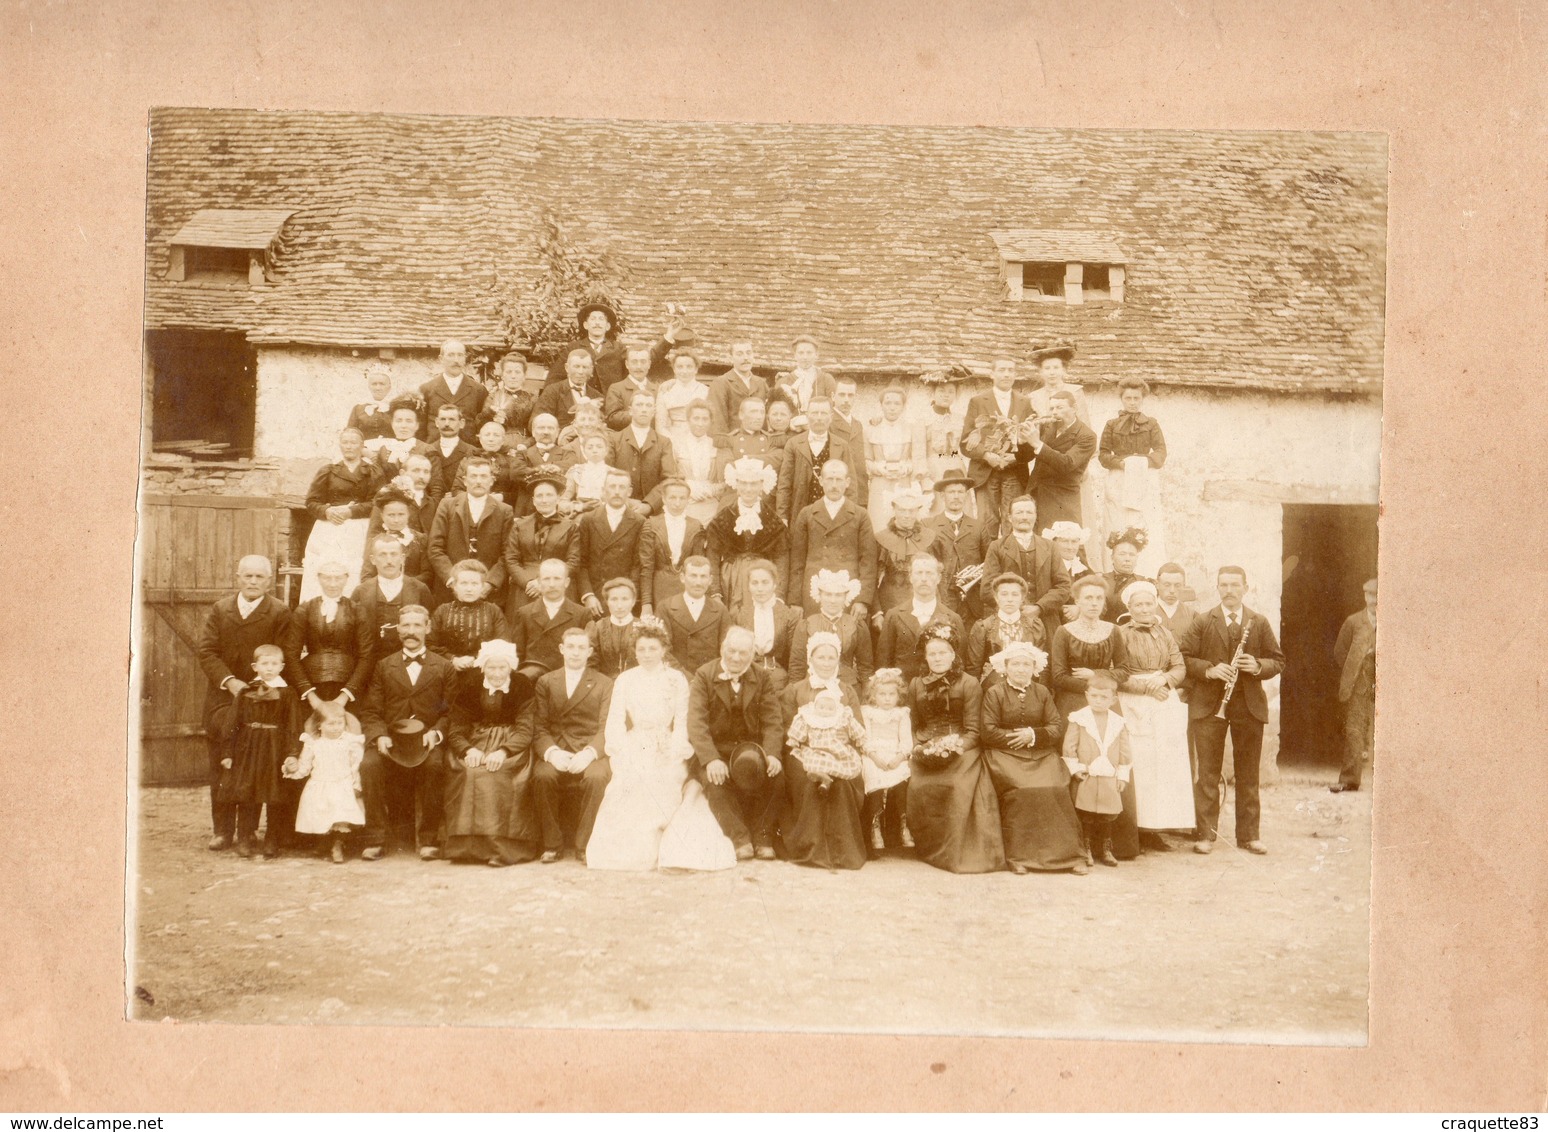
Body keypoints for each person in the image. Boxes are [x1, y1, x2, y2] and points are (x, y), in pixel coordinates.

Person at [588, 618, 737, 872]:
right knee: (629, 780)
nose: (647, 655)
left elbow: (682, 720)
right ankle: (634, 852)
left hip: (667, 745)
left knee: (668, 778)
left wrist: (676, 750)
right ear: (634, 651)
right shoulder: (625, 679)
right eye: (641, 649)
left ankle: (670, 847)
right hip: (635, 742)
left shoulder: (676, 679)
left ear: (664, 649)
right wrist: (621, 752)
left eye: (653, 649)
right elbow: (614, 721)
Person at [1177, 566, 1284, 855]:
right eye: (1223, 585)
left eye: (1235, 585)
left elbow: (1278, 660)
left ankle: (1249, 836)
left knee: (1248, 773)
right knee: (1208, 773)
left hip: (1248, 706)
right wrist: (1210, 671)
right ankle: (1206, 836)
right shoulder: (1202, 621)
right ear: (1218, 588)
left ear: (1245, 588)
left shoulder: (1258, 622)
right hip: (1209, 706)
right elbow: (1184, 658)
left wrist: (1258, 666)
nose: (1229, 590)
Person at [196, 556, 293, 852]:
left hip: (261, 700)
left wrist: (258, 687)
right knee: (223, 762)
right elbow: (207, 651)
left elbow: (283, 655)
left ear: (269, 580)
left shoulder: (278, 612)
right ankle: (223, 830)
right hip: (223, 697)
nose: (253, 582)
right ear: (237, 577)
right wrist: (230, 681)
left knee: (253, 764)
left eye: (259, 577)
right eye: (248, 576)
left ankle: (248, 833)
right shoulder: (221, 609)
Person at [980, 642, 1087, 875]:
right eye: (1015, 664)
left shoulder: (1042, 692)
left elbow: (1055, 727)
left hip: (1040, 753)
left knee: (1056, 786)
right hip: (1004, 753)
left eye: (1026, 664)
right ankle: (1019, 857)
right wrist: (1014, 737)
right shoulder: (994, 693)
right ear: (1005, 667)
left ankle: (1069, 856)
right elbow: (987, 731)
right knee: (1022, 789)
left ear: (1034, 668)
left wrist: (1032, 735)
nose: (1020, 669)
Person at [905, 624, 1004, 873]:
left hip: (962, 746)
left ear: (952, 655)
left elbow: (973, 730)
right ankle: (927, 847)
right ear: (926, 658)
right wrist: (920, 747)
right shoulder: (917, 683)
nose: (937, 658)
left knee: (958, 785)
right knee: (918, 785)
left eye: (943, 653)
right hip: (926, 746)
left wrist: (955, 746)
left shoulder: (968, 683)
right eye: (932, 654)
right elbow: (914, 725)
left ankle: (956, 851)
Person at [356, 605, 452, 861]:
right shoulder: (383, 666)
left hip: (425, 741)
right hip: (392, 740)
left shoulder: (443, 667)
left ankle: (429, 840)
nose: (411, 631)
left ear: (428, 628)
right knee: (369, 765)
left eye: (417, 625)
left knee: (435, 766)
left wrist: (436, 733)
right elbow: (371, 710)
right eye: (406, 626)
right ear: (398, 630)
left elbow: (451, 712)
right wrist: (379, 736)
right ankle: (376, 838)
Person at [1050, 573, 1136, 859]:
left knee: (1112, 764)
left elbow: (1123, 670)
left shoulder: (1113, 631)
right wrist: (1089, 685)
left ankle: (1111, 844)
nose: (1094, 603)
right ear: (1077, 600)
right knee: (1079, 765)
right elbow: (1059, 676)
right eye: (1088, 597)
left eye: (1099, 598)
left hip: (1107, 704)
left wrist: (1097, 679)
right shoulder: (1063, 632)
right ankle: (1079, 844)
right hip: (1073, 704)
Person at [687, 627, 785, 861]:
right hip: (716, 751)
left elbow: (773, 720)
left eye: (743, 653)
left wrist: (772, 754)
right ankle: (739, 839)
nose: (736, 657)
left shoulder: (761, 676)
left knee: (777, 778)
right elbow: (696, 723)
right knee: (715, 782)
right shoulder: (704, 675)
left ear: (752, 655)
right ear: (722, 649)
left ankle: (763, 837)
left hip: (751, 751)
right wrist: (710, 759)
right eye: (731, 651)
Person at [442, 638, 541, 866]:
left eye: (502, 667)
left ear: (510, 667)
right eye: (492, 667)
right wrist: (467, 749)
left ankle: (502, 850)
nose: (497, 673)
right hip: (475, 743)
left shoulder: (521, 684)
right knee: (469, 772)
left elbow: (526, 729)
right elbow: (457, 727)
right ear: (483, 667)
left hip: (511, 745)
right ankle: (468, 850)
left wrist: (504, 751)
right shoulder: (471, 684)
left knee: (499, 773)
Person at [778, 633, 870, 869]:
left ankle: (841, 852)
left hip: (840, 752)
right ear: (811, 659)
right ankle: (811, 850)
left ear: (838, 661)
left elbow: (857, 727)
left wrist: (839, 746)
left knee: (841, 782)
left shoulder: (847, 691)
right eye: (821, 657)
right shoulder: (795, 690)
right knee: (809, 782)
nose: (827, 663)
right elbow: (788, 730)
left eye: (832, 658)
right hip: (803, 753)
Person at [1116, 579, 1194, 844]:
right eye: (1138, 604)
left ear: (1155, 604)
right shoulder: (1121, 633)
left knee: (1165, 767)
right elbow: (1117, 674)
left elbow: (1179, 666)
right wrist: (1147, 688)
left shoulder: (1165, 634)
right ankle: (1136, 829)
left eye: (1148, 603)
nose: (1144, 609)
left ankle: (1157, 829)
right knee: (1142, 765)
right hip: (1134, 701)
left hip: (1164, 700)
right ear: (1129, 607)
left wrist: (1165, 681)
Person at [530, 628, 614, 863]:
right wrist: (551, 752)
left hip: (590, 750)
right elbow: (540, 726)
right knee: (543, 775)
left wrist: (589, 754)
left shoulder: (603, 683)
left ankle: (585, 844)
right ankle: (552, 844)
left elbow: (606, 727)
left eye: (581, 648)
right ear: (561, 649)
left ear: (589, 652)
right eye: (571, 647)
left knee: (597, 778)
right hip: (558, 748)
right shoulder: (546, 681)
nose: (575, 653)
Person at [213, 643, 302, 860]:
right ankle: (245, 836)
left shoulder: (288, 693)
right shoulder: (245, 692)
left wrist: (292, 753)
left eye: (274, 664)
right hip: (248, 748)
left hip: (275, 750)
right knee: (247, 792)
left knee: (275, 794)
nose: (269, 668)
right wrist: (227, 753)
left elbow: (293, 725)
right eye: (265, 664)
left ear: (282, 667)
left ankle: (272, 838)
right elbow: (232, 724)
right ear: (255, 666)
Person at [301, 427, 386, 601]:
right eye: (345, 442)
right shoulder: (328, 471)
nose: (349, 446)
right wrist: (327, 511)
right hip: (329, 530)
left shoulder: (372, 472)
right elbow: (311, 502)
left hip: (359, 529)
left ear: (362, 446)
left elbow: (378, 503)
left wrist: (351, 511)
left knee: (354, 571)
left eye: (353, 442)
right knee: (327, 570)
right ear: (340, 445)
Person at [282, 560, 374, 719]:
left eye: (338, 578)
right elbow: (291, 654)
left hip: (348, 686)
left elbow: (367, 655)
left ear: (346, 579)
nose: (333, 584)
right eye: (327, 578)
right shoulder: (304, 610)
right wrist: (310, 694)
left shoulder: (357, 610)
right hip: (311, 686)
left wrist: (346, 694)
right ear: (318, 578)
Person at [786, 459, 878, 616]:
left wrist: (863, 600)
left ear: (847, 482)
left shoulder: (860, 515)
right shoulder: (807, 514)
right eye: (829, 479)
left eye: (839, 480)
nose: (834, 485)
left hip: (848, 590)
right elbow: (797, 562)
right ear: (821, 481)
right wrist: (795, 601)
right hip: (814, 590)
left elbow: (868, 562)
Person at [1099, 377, 1169, 576]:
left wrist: (1142, 463)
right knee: (1118, 523)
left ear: (1142, 399)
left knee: (1143, 523)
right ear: (1122, 399)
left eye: (1136, 398)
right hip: (1119, 479)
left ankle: (1146, 572)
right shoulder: (1112, 424)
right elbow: (1103, 455)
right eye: (1128, 398)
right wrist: (1121, 464)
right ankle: (1114, 572)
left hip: (1143, 479)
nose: (1132, 402)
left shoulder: (1152, 424)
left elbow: (1161, 453)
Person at [1062, 671, 1133, 868]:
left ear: (1113, 699)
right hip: (1087, 774)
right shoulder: (1079, 718)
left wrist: (1122, 774)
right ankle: (1086, 848)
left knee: (1107, 814)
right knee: (1086, 813)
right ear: (1087, 696)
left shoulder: (1118, 722)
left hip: (1109, 775)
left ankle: (1106, 848)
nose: (1098, 701)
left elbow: (1125, 750)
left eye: (1104, 697)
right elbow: (1069, 747)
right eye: (1094, 696)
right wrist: (1075, 768)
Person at [961, 357, 1036, 538]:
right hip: (986, 472)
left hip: (1015, 473)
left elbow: (1032, 442)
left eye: (1010, 370)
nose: (1006, 374)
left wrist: (1016, 457)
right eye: (1002, 370)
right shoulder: (977, 401)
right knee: (987, 522)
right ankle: (988, 564)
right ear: (992, 374)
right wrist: (986, 455)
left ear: (1015, 375)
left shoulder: (1025, 402)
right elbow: (965, 443)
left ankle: (1012, 563)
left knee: (1014, 521)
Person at [981, 496, 1071, 644]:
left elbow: (1064, 586)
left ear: (1036, 516)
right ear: (1009, 517)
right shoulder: (997, 547)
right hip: (1009, 622)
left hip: (1047, 621)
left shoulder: (1050, 547)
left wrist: (1039, 608)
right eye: (1019, 512)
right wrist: (1015, 610)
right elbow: (987, 589)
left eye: (1029, 512)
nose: (1024, 517)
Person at [285, 701, 366, 864]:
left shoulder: (350, 742)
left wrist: (356, 785)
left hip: (342, 785)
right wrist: (292, 769)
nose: (336, 727)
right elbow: (305, 766)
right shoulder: (313, 743)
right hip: (320, 786)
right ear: (319, 725)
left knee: (340, 816)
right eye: (331, 724)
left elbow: (355, 765)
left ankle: (338, 844)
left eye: (340, 723)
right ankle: (325, 843)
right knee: (322, 815)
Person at [704, 457, 788, 611]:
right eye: (743, 483)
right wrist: (715, 591)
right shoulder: (723, 517)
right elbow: (712, 555)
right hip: (730, 580)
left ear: (762, 485)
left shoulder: (773, 520)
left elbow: (781, 556)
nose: (748, 489)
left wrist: (779, 593)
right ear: (736, 484)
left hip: (762, 579)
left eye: (754, 483)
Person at [428, 457, 514, 607]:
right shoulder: (447, 506)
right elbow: (435, 547)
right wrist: (452, 578)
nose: (478, 481)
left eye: (483, 476)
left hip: (489, 593)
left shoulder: (504, 510)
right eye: (473, 476)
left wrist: (490, 583)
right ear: (465, 481)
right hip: (450, 589)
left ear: (492, 480)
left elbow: (507, 553)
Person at [874, 553, 966, 682]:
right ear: (910, 577)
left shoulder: (952, 618)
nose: (924, 578)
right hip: (904, 692)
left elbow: (960, 665)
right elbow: (883, 664)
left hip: (941, 695)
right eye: (919, 573)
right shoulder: (894, 616)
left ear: (939, 578)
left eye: (929, 573)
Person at [775, 397, 866, 525]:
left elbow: (850, 485)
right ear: (807, 416)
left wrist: (849, 516)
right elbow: (784, 484)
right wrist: (782, 516)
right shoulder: (793, 444)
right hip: (801, 512)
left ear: (831, 416)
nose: (819, 417)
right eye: (814, 413)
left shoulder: (842, 446)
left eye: (823, 413)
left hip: (833, 513)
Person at [872, 485, 958, 617]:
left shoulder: (931, 538)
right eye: (902, 510)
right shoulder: (880, 539)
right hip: (890, 603)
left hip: (926, 601)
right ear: (894, 509)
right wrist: (877, 613)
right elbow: (872, 579)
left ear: (918, 511)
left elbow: (942, 575)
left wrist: (943, 607)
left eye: (911, 511)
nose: (907, 515)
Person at [351, 535, 435, 663]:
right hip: (370, 664)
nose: (389, 560)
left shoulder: (419, 589)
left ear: (402, 558)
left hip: (409, 662)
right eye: (382, 555)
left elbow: (430, 630)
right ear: (373, 560)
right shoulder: (361, 591)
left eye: (394, 554)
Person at [428, 560, 509, 692]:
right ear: (454, 586)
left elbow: (503, 644)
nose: (469, 588)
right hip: (446, 672)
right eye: (464, 583)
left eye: (474, 584)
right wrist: (452, 660)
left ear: (482, 586)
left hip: (483, 674)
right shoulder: (442, 611)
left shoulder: (493, 611)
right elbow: (429, 644)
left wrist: (476, 660)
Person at [575, 469, 645, 617]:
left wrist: (628, 596)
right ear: (603, 490)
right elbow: (581, 562)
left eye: (622, 487)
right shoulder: (588, 519)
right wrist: (588, 595)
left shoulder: (639, 522)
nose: (617, 492)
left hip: (624, 597)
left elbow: (637, 565)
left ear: (630, 492)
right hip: (595, 596)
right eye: (612, 486)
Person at [503, 475, 581, 608]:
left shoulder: (571, 527)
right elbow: (511, 559)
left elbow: (573, 561)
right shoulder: (520, 525)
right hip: (525, 588)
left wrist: (544, 582)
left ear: (558, 498)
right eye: (539, 496)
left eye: (549, 495)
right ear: (533, 500)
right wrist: (527, 582)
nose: (544, 500)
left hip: (557, 586)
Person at [1024, 389, 1097, 529]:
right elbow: (1024, 458)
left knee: (1063, 544)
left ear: (1074, 408)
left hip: (1062, 500)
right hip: (1036, 494)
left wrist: (1036, 443)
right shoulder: (1047, 426)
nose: (1054, 412)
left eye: (1059, 407)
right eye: (1052, 408)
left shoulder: (1087, 436)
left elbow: (1067, 463)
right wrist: (1022, 441)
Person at [789, 568, 874, 689]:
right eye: (828, 594)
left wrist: (868, 696)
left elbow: (866, 668)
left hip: (847, 686)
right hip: (813, 687)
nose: (833, 600)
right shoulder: (806, 624)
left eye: (838, 595)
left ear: (846, 597)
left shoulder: (856, 625)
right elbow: (796, 667)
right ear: (819, 596)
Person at [1331, 578, 1378, 793]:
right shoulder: (1353, 621)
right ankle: (1350, 779)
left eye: (1377, 595)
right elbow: (1340, 653)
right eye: (1370, 595)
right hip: (1360, 685)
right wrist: (1355, 671)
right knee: (1354, 730)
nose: (1374, 600)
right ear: (1364, 596)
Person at [510, 558, 592, 680]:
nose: (552, 584)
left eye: (557, 579)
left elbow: (588, 656)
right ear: (538, 582)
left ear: (567, 582)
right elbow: (517, 654)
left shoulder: (581, 614)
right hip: (533, 679)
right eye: (546, 579)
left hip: (567, 680)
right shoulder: (524, 613)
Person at [859, 668, 912, 857]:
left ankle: (903, 824)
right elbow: (865, 739)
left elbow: (906, 741)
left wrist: (899, 757)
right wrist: (875, 757)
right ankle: (875, 826)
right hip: (874, 755)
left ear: (899, 696)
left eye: (892, 694)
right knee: (872, 774)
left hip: (895, 755)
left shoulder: (902, 713)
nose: (887, 699)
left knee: (903, 774)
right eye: (882, 694)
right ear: (873, 695)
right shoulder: (868, 713)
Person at [925, 475, 990, 623]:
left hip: (972, 600)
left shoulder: (979, 526)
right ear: (942, 496)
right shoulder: (928, 525)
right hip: (942, 597)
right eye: (951, 492)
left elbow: (988, 562)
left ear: (966, 496)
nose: (956, 496)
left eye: (960, 492)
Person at [727, 559, 799, 693]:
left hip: (779, 679)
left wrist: (790, 688)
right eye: (755, 583)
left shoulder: (789, 616)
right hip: (746, 677)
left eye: (765, 583)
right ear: (748, 586)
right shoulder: (740, 614)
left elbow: (794, 659)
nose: (760, 589)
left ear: (775, 584)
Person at [639, 478, 708, 615]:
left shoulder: (695, 526)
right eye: (672, 497)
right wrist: (646, 603)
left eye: (682, 498)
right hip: (659, 589)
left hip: (686, 589)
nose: (677, 503)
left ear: (688, 500)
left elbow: (697, 565)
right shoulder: (651, 524)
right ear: (663, 499)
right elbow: (646, 567)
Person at [965, 572, 1047, 688]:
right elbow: (973, 668)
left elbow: (1041, 665)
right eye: (1004, 594)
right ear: (996, 598)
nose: (1009, 599)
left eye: (1015, 594)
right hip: (993, 688)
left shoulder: (1035, 626)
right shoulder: (984, 627)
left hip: (1027, 687)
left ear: (1022, 598)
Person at [863, 384, 921, 533]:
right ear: (881, 405)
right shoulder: (871, 428)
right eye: (888, 403)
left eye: (897, 403)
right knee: (878, 523)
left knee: (903, 523)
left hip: (903, 482)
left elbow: (918, 457)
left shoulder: (911, 428)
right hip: (880, 483)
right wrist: (878, 468)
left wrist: (907, 467)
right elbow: (866, 459)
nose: (892, 407)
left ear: (903, 406)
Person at [657, 555, 728, 675]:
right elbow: (661, 650)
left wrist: (707, 680)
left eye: (703, 576)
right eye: (693, 576)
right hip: (676, 678)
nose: (698, 582)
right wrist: (685, 677)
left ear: (710, 580)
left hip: (710, 680)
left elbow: (726, 650)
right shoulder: (666, 608)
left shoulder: (720, 610)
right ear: (682, 578)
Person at [608, 390, 677, 512]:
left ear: (654, 412)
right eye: (639, 405)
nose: (644, 409)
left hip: (652, 512)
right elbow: (606, 474)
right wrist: (626, 501)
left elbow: (669, 479)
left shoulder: (664, 442)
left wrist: (649, 505)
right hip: (619, 507)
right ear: (630, 410)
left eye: (648, 405)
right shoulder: (614, 440)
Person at [544, 302, 626, 391]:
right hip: (581, 400)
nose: (597, 323)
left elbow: (631, 376)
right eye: (593, 319)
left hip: (610, 401)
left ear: (607, 326)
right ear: (586, 325)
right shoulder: (573, 347)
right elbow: (555, 377)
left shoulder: (619, 349)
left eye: (601, 319)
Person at [361, 488, 433, 589]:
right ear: (382, 516)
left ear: (408, 514)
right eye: (391, 515)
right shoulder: (375, 542)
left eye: (401, 514)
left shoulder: (420, 539)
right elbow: (366, 577)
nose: (396, 520)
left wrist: (402, 585)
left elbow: (427, 574)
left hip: (413, 592)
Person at [418, 340, 487, 443]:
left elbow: (482, 424)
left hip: (468, 453)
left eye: (460, 355)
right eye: (451, 355)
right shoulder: (427, 389)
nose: (456, 360)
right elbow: (420, 427)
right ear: (441, 359)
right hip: (435, 452)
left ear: (465, 358)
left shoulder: (478, 390)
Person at [508, 412, 576, 517]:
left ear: (557, 432)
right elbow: (516, 473)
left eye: (550, 428)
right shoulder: (522, 454)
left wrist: (555, 467)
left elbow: (570, 466)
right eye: (541, 428)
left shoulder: (568, 453)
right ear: (534, 432)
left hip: (558, 510)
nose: (546, 432)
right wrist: (543, 468)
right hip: (527, 509)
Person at [673, 401, 729, 523]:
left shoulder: (717, 446)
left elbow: (727, 480)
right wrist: (688, 487)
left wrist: (711, 490)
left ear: (711, 421)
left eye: (705, 419)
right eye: (696, 418)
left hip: (711, 500)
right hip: (684, 500)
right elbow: (670, 475)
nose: (700, 423)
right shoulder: (676, 444)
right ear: (688, 420)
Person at [653, 348, 712, 454]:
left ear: (696, 369)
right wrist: (673, 443)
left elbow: (711, 422)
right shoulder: (665, 391)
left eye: (689, 367)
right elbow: (660, 426)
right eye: (680, 367)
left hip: (701, 440)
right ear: (674, 369)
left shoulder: (706, 391)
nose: (684, 371)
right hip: (673, 440)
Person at [451, 419, 522, 503]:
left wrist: (503, 497)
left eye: (496, 435)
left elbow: (519, 492)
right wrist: (475, 498)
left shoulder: (513, 460)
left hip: (503, 508)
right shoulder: (469, 460)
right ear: (480, 439)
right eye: (487, 435)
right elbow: (457, 490)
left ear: (503, 440)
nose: (491, 439)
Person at [707, 339, 769, 434]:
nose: (745, 358)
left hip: (759, 442)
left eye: (748, 353)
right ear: (731, 358)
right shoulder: (721, 383)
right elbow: (717, 420)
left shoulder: (761, 383)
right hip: (734, 441)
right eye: (739, 354)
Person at [533, 348, 604, 431]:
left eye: (585, 367)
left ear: (591, 369)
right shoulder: (553, 391)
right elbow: (536, 422)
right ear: (567, 367)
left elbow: (603, 425)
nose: (580, 371)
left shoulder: (597, 396)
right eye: (576, 366)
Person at [773, 334, 837, 425]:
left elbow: (833, 409)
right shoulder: (784, 381)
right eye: (801, 353)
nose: (805, 357)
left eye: (809, 353)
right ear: (795, 355)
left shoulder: (827, 379)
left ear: (816, 355)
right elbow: (777, 412)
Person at [479, 352, 536, 449]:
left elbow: (537, 428)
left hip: (525, 445)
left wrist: (526, 445)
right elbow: (482, 425)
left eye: (517, 372)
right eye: (509, 372)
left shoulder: (532, 398)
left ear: (524, 375)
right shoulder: (493, 397)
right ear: (502, 374)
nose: (513, 376)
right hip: (498, 445)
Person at [587, 578, 641, 678]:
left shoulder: (644, 627)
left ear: (633, 601)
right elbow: (590, 664)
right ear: (607, 602)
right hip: (605, 686)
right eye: (614, 599)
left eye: (625, 599)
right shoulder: (598, 627)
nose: (619, 606)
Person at [602, 342, 660, 431]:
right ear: (627, 364)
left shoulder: (657, 389)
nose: (638, 366)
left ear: (649, 364)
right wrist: (637, 413)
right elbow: (612, 418)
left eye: (643, 362)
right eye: (634, 362)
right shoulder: (616, 388)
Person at [1102, 528, 1151, 623]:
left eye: (1132, 554)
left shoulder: (1144, 583)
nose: (1127, 559)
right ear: (1112, 557)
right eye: (1122, 554)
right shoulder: (1101, 581)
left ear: (1136, 558)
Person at [560, 430, 615, 515]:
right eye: (590, 447)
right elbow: (561, 503)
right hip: (580, 519)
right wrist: (580, 507)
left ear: (606, 450)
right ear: (584, 450)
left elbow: (622, 503)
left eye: (599, 447)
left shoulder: (614, 474)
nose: (594, 450)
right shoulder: (576, 471)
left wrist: (603, 505)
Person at [426, 404, 478, 493]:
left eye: (452, 419)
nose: (446, 424)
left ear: (461, 423)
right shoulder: (427, 450)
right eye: (443, 419)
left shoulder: (472, 452)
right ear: (437, 422)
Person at [922, 377, 964, 486]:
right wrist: (923, 478)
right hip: (933, 467)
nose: (946, 395)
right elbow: (918, 453)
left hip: (956, 465)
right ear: (933, 392)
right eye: (942, 391)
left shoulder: (960, 419)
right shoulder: (924, 419)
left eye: (951, 392)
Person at [346, 364, 398, 441]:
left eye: (382, 384)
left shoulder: (397, 407)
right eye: (374, 384)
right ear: (368, 386)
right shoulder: (358, 409)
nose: (378, 388)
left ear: (389, 386)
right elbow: (350, 435)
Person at [721, 395, 776, 465]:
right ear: (741, 415)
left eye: (762, 412)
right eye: (753, 412)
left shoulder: (771, 440)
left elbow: (775, 462)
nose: (759, 417)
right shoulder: (729, 440)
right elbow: (726, 467)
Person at [828, 375, 867, 455]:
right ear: (833, 396)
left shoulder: (858, 425)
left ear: (855, 397)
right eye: (842, 395)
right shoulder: (828, 423)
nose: (846, 400)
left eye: (850, 395)